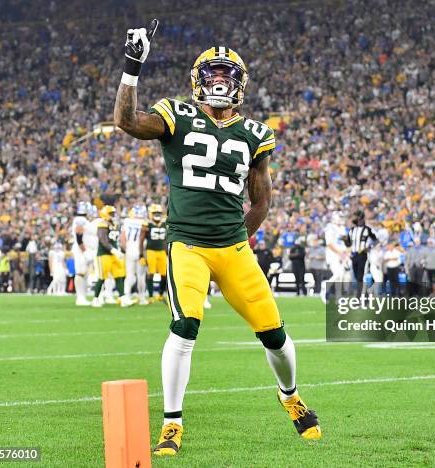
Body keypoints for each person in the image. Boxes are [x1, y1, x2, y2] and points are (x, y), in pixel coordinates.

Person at [113, 31, 321, 457]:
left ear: (240, 82)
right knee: (185, 327)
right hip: (187, 244)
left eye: (228, 74)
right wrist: (132, 68)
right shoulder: (176, 113)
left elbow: (262, 198)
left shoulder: (255, 133)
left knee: (275, 335)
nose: (220, 81)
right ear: (198, 79)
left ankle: (290, 396)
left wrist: (237, 239)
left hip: (233, 248)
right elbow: (127, 121)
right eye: (213, 73)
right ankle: (172, 423)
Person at [91, 205, 132, 308]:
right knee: (102, 277)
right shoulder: (102, 224)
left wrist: (120, 250)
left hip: (115, 254)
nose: (113, 215)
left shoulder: (116, 225)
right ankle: (95, 299)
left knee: (119, 276)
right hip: (104, 254)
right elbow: (103, 240)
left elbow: (117, 240)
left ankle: (123, 298)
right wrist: (113, 250)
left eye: (114, 213)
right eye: (111, 213)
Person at [122, 205, 148, 305]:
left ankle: (126, 296)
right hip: (140, 250)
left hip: (130, 250)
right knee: (141, 276)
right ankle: (142, 298)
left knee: (129, 275)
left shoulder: (127, 221)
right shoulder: (144, 222)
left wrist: (125, 249)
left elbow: (123, 238)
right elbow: (143, 239)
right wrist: (142, 253)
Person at [321, 211, 350, 302]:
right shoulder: (330, 228)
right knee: (338, 274)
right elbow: (329, 244)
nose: (342, 219)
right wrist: (339, 253)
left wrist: (346, 253)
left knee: (342, 276)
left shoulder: (343, 228)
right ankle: (325, 287)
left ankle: (338, 296)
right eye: (340, 217)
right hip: (333, 254)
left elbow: (347, 243)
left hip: (343, 254)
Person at [346, 210, 375, 296]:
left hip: (362, 254)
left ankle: (359, 296)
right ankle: (365, 294)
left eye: (356, 217)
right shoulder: (352, 230)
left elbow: (376, 240)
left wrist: (369, 247)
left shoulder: (367, 229)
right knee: (356, 276)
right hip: (354, 255)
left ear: (360, 218)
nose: (354, 219)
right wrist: (344, 241)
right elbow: (348, 243)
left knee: (360, 276)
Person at [144, 204, 168, 301]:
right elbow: (142, 239)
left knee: (164, 274)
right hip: (151, 251)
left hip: (162, 251)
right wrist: (142, 254)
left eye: (159, 213)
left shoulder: (165, 223)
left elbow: (167, 238)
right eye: (155, 213)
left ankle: (161, 294)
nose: (157, 214)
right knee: (151, 273)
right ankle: (150, 295)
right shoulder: (147, 224)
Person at [71, 201, 92, 305]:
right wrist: (85, 251)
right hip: (80, 249)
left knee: (85, 273)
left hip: (82, 248)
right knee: (80, 272)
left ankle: (83, 297)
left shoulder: (80, 219)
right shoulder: (80, 220)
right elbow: (79, 235)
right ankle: (80, 297)